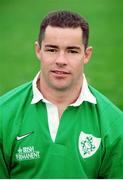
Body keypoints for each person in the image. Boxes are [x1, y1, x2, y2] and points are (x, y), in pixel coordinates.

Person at [0, 10, 123, 179]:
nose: (61, 60)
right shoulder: (3, 114)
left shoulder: (115, 124)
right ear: (38, 50)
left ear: (86, 55)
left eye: (72, 51)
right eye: (52, 50)